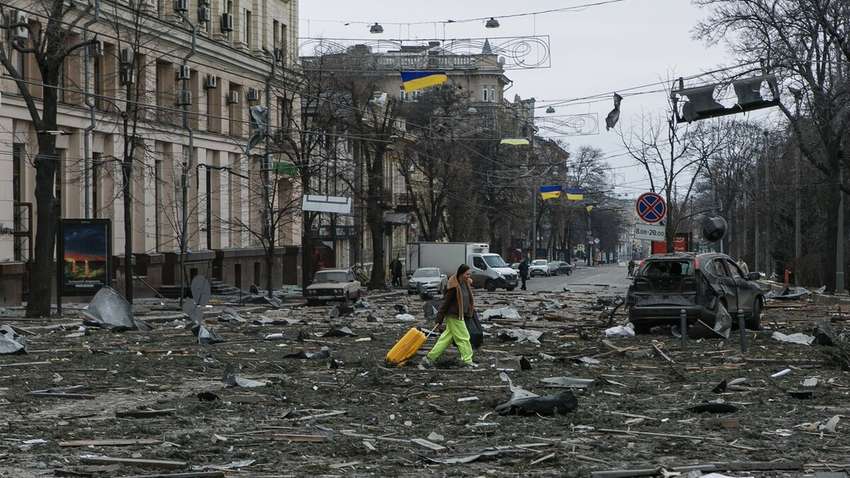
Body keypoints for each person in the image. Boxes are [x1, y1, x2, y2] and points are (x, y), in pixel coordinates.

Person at [422, 264, 476, 368]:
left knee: (446, 338)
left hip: (460, 315)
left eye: (469, 274)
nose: (469, 276)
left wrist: (470, 311)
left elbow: (467, 300)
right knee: (464, 338)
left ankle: (430, 358)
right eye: (467, 274)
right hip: (454, 316)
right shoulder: (453, 286)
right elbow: (445, 303)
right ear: (461, 274)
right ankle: (467, 360)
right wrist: (439, 318)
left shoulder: (465, 284)